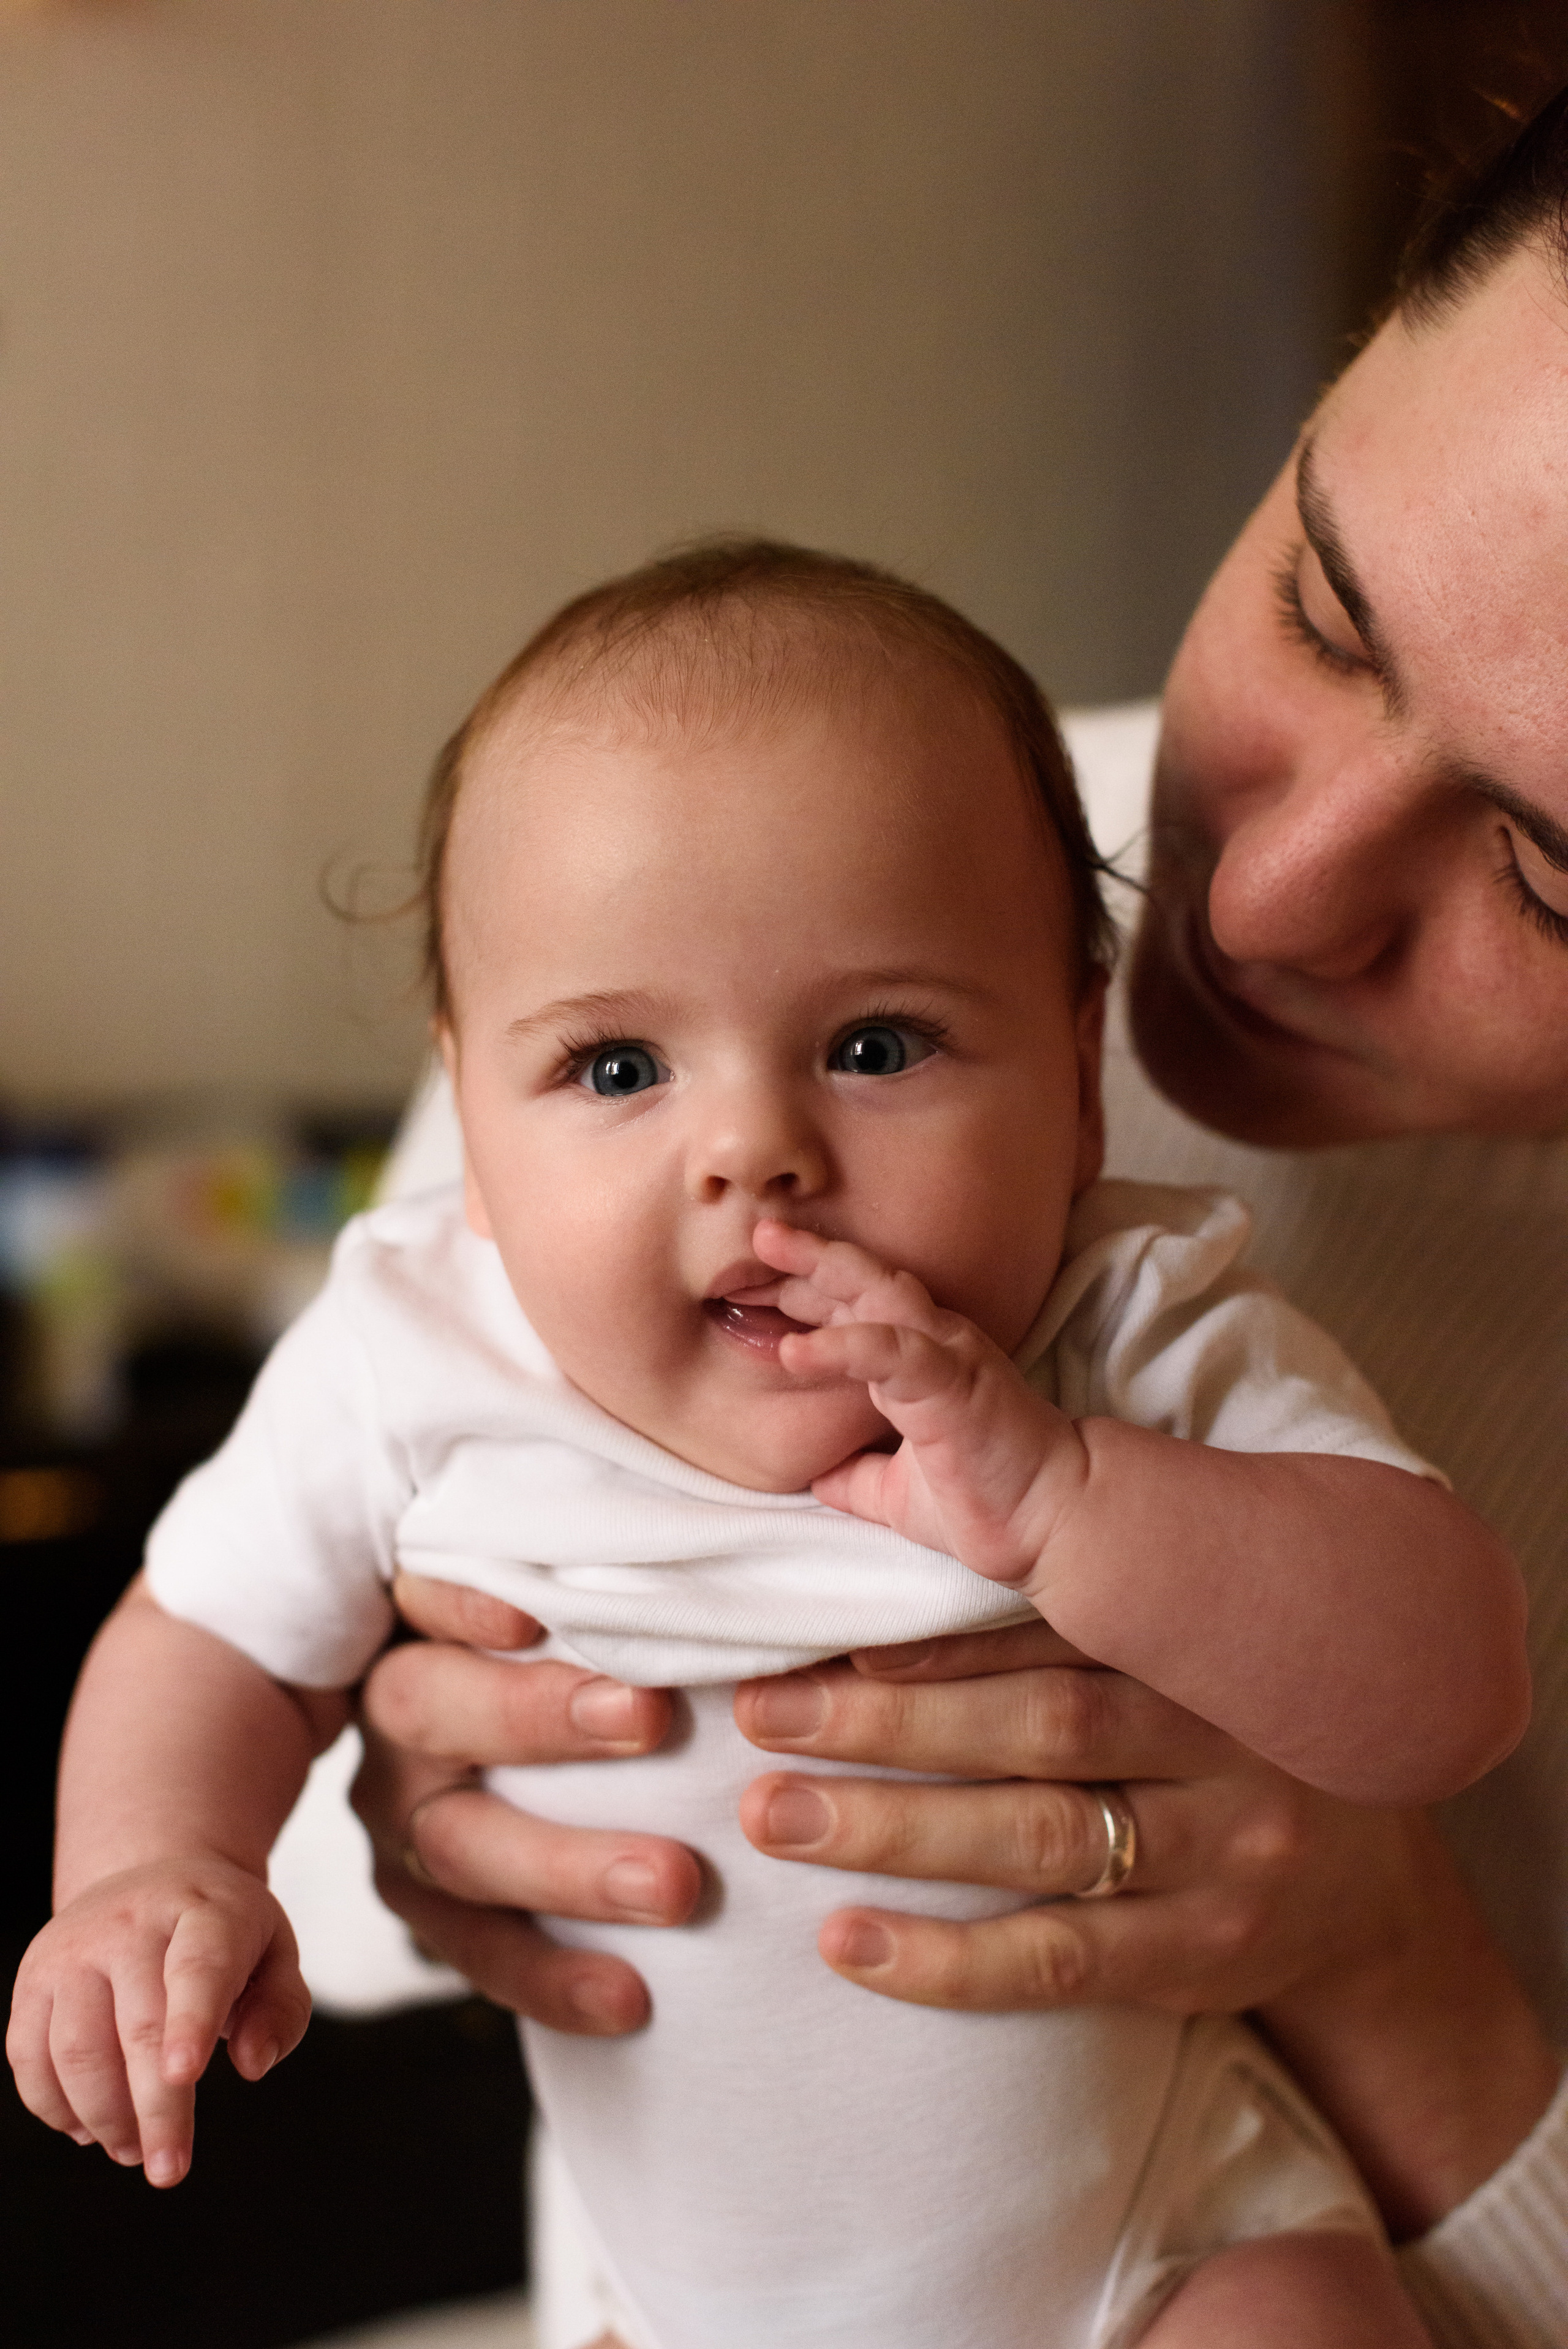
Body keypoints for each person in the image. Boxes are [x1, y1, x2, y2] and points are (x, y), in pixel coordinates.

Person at [348, 88, 1568, 2349]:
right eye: (1322, 602)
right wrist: (408, 1789)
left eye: (1550, 874)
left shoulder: (1141, 1306)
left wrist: (1387, 1961)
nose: (1264, 897)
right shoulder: (710, 863)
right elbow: (326, 1848)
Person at [6, 543, 1525, 2349]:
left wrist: (1067, 1494)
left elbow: (1451, 1685)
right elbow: (207, 1634)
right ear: (476, 1123)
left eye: (878, 1042)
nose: (756, 1151)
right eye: (618, 1069)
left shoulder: (1124, 1328)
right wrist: (150, 1864)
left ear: (1075, 1065)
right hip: (683, 2300)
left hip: (1163, 2239)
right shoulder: (412, 1356)